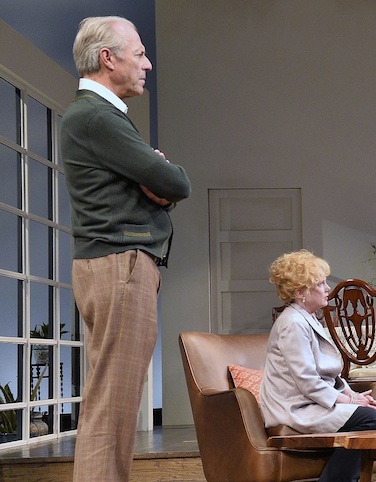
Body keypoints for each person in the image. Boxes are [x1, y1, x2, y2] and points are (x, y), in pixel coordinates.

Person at [61, 16, 192, 481]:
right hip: (121, 263)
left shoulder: (100, 117)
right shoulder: (98, 116)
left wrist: (159, 184)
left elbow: (163, 187)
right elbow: (175, 182)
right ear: (107, 58)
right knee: (112, 409)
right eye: (139, 53)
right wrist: (161, 176)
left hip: (114, 263)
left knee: (112, 404)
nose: (148, 63)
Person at [262, 250, 376, 482]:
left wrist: (354, 396)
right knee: (370, 419)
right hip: (295, 406)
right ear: (300, 292)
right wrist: (349, 401)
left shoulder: (307, 318)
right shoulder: (292, 323)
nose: (327, 288)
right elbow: (307, 381)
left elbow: (330, 376)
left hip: (313, 402)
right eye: (320, 284)